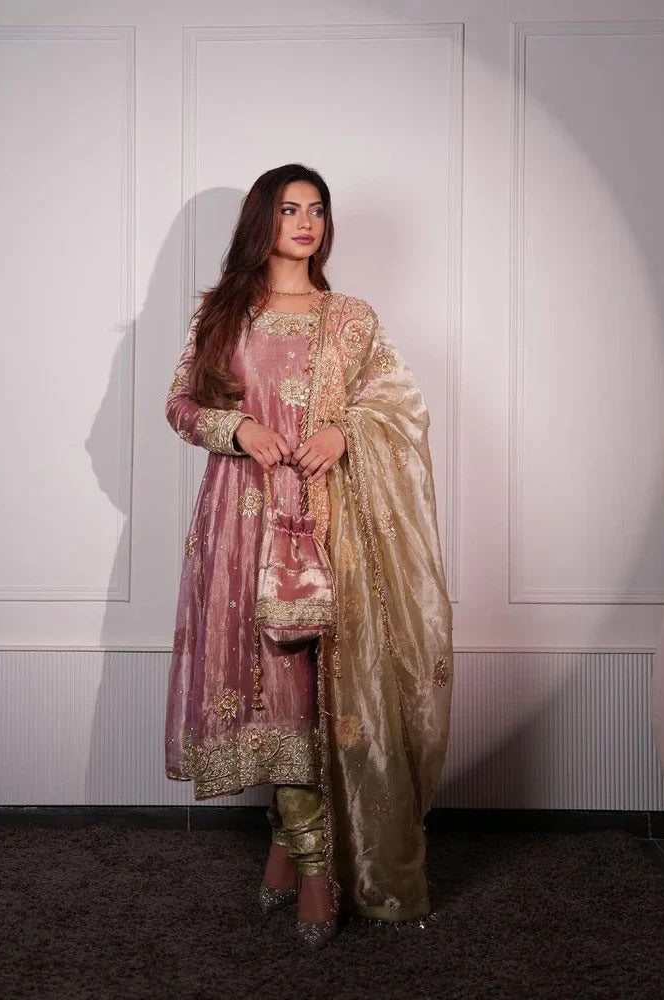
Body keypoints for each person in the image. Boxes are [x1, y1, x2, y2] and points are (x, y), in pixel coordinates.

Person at [164, 163, 453, 948]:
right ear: (263, 220)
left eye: (317, 210)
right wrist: (237, 428)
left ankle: (291, 854)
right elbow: (180, 403)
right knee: (278, 692)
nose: (305, 222)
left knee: (333, 696)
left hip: (337, 525)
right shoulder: (225, 314)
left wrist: (344, 431)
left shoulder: (352, 318)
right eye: (290, 208)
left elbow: (399, 404)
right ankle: (316, 870)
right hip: (243, 522)